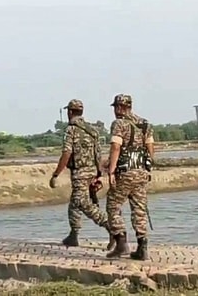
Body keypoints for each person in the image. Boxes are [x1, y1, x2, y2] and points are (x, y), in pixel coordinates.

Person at [49, 99, 114, 248]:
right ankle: (74, 234)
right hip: (92, 172)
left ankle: (112, 228)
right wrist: (98, 174)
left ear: (70, 112)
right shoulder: (92, 130)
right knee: (74, 204)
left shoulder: (71, 130)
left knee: (82, 203)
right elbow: (98, 154)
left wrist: (55, 175)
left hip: (80, 173)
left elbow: (66, 153)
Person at [105, 94, 154, 260]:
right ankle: (142, 246)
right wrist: (148, 168)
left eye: (115, 108)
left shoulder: (119, 124)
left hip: (125, 173)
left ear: (119, 108)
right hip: (142, 171)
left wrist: (111, 171)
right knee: (139, 209)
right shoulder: (145, 124)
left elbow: (115, 148)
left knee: (113, 205)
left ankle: (121, 243)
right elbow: (150, 148)